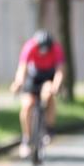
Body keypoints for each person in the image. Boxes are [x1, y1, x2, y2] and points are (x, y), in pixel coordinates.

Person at [10, 30, 65, 158]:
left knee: (49, 93)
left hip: (49, 75)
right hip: (34, 75)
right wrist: (18, 83)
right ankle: (26, 139)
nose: (44, 51)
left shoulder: (56, 49)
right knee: (27, 105)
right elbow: (22, 68)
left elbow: (60, 71)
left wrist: (56, 86)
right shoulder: (29, 47)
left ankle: (49, 129)